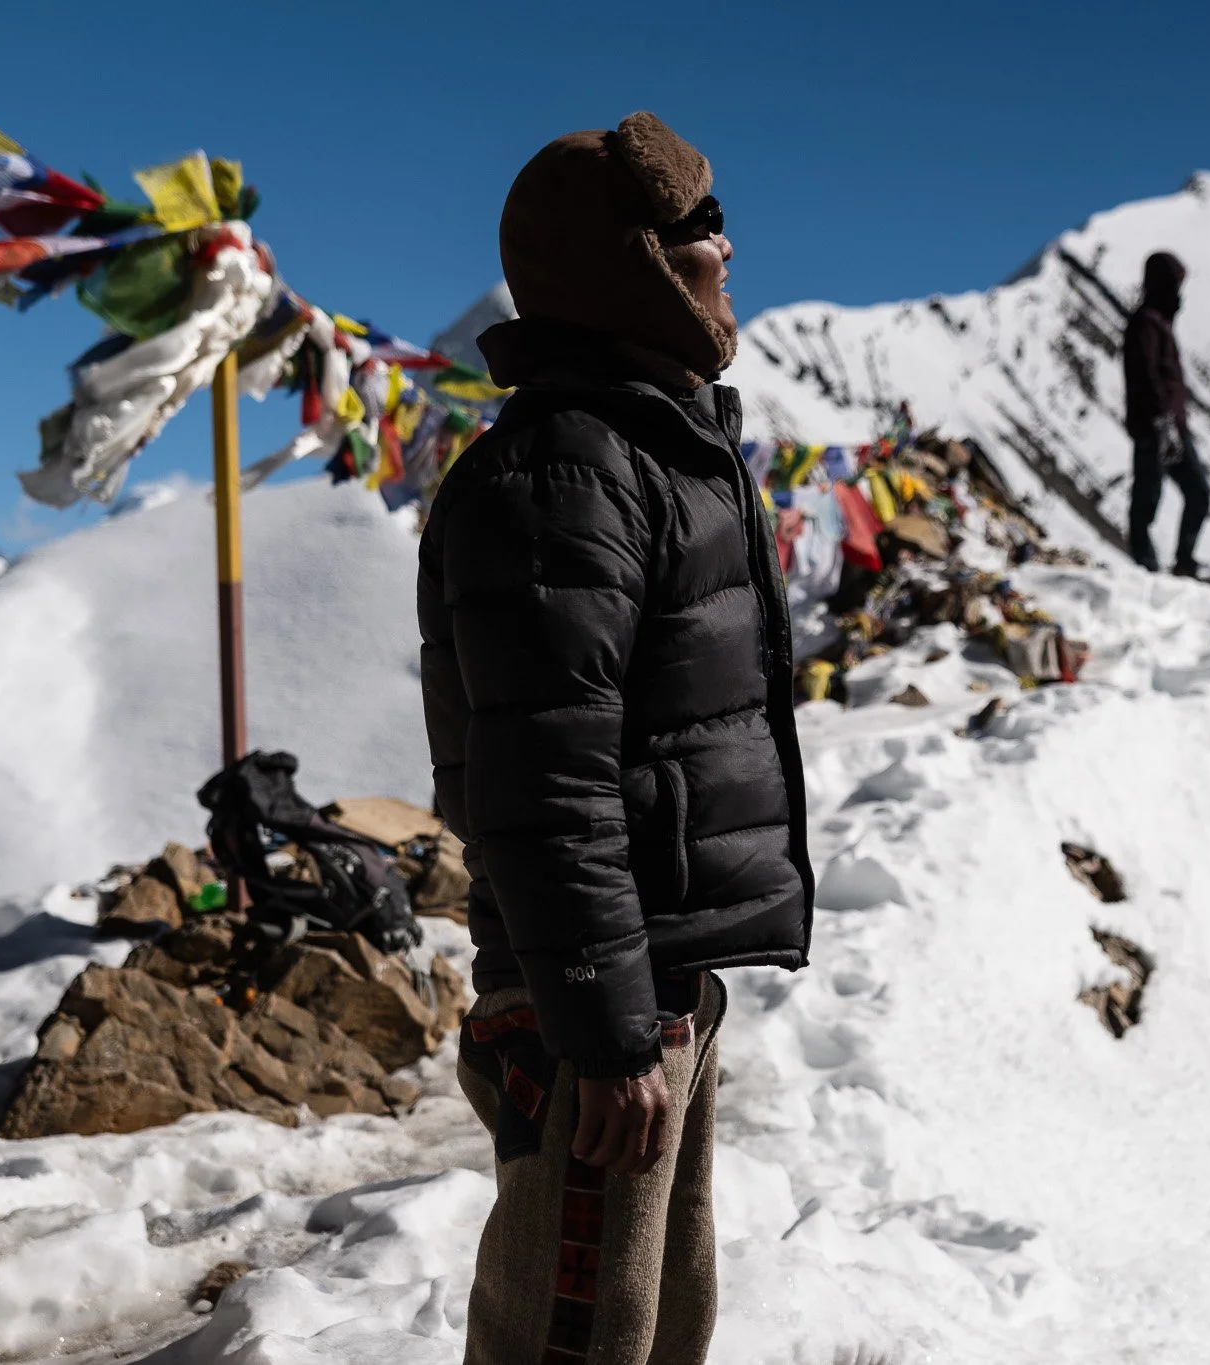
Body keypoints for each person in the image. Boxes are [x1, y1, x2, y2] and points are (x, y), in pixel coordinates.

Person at [416, 112, 814, 1365]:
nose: (727, 244)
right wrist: (604, 1025)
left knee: (652, 1327)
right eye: (698, 225)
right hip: (591, 1005)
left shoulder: (656, 452)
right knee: (573, 1338)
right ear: (632, 262)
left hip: (659, 982)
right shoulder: (564, 477)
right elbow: (542, 779)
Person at [1122, 250, 1210, 580]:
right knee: (1148, 495)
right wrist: (1161, 420)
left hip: (1172, 426)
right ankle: (1145, 566)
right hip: (1155, 426)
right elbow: (1146, 374)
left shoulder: (1160, 324)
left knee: (1198, 492)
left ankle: (1184, 561)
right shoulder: (1146, 323)